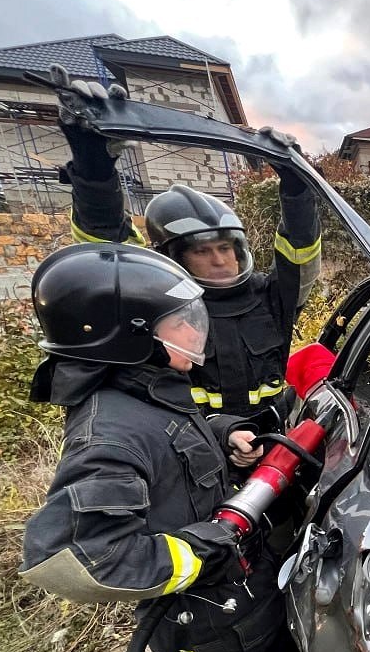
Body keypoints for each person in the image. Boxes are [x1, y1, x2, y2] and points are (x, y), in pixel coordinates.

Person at [19, 243, 308, 652]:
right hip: (206, 617)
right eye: (177, 321)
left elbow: (180, 442)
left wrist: (229, 437)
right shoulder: (108, 435)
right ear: (126, 339)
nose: (193, 331)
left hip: (234, 591)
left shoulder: (146, 392)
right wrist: (207, 545)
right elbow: (85, 556)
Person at [49, 65, 322, 431]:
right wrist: (94, 165)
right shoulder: (155, 304)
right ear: (169, 257)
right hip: (191, 449)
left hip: (272, 448)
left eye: (227, 247)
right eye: (202, 251)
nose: (221, 259)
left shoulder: (270, 297)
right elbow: (106, 247)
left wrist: (296, 185)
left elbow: (300, 251)